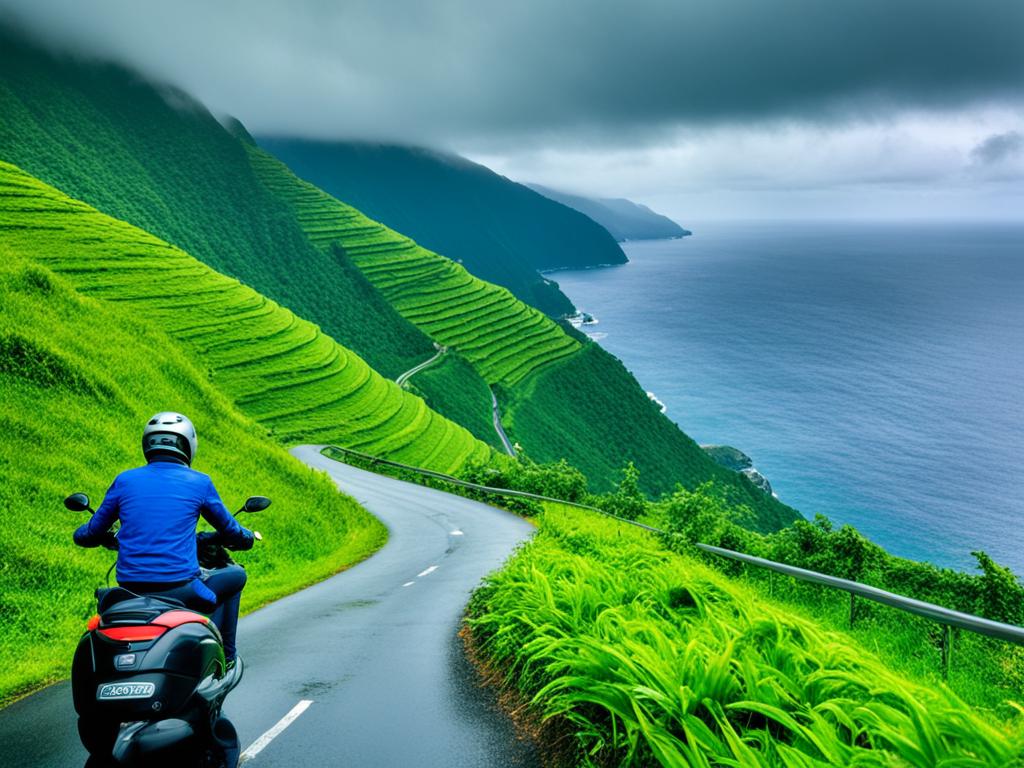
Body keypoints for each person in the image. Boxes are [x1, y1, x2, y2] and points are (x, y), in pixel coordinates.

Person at [74, 412, 255, 667]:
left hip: (129, 589)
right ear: (188, 445)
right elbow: (231, 530)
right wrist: (246, 537)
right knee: (237, 576)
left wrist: (90, 535)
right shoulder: (200, 482)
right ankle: (226, 657)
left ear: (147, 444)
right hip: (181, 589)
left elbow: (88, 534)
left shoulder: (125, 480)